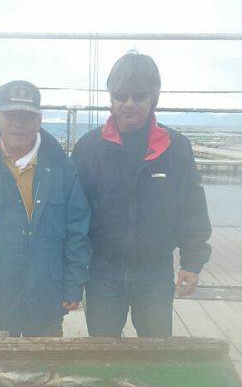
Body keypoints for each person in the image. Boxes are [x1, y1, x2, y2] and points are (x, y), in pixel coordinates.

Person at [72, 51, 212, 338]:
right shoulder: (87, 148)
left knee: (157, 352)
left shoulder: (177, 148)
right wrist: (72, 273)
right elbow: (73, 216)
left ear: (154, 97)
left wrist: (192, 263)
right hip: (102, 273)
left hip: (155, 272)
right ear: (110, 97)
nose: (129, 103)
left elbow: (193, 208)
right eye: (121, 95)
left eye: (139, 95)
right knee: (102, 351)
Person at [0, 80, 91, 336]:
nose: (19, 124)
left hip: (46, 300)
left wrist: (74, 284)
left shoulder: (62, 167)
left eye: (27, 117)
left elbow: (78, 229)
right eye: (12, 116)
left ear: (39, 120)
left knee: (46, 374)